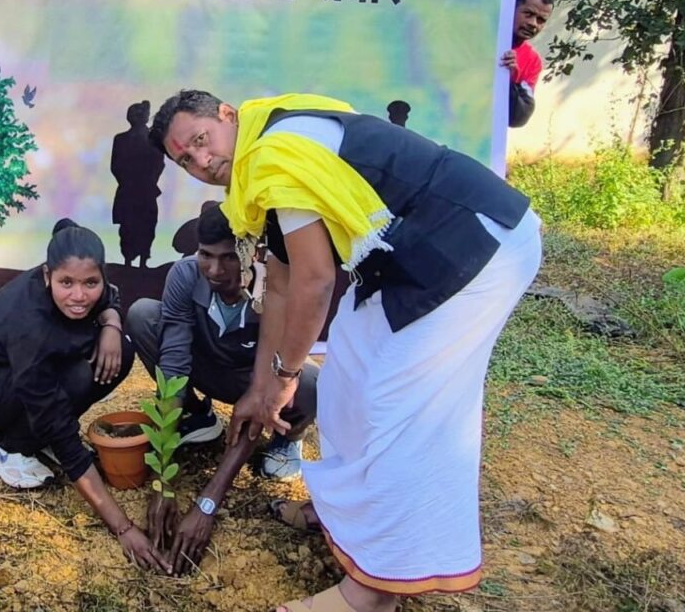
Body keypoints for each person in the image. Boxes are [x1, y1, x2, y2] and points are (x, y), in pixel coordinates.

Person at [149, 90, 541, 612]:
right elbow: (281, 283)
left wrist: (284, 376)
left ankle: (374, 591)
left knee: (394, 406)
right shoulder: (259, 159)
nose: (201, 161)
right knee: (342, 386)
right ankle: (342, 517)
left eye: (201, 140)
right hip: (406, 254)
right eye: (185, 159)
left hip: (472, 243)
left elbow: (314, 282)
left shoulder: (274, 156)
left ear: (226, 115)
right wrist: (260, 388)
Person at [0, 219, 170, 572]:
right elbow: (60, 426)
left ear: (101, 276)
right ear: (48, 276)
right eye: (67, 283)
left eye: (90, 283)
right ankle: (9, 447)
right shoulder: (29, 323)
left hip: (24, 371)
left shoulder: (87, 283)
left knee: (119, 353)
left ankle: (34, 435)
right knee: (72, 382)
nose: (79, 296)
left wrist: (112, 324)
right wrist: (123, 527)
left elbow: (109, 296)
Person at [126, 204, 319, 574]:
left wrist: (208, 503)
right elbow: (174, 365)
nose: (214, 270)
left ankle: (287, 438)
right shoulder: (185, 274)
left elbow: (266, 388)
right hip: (208, 367)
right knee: (143, 316)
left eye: (229, 257)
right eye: (206, 255)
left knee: (310, 384)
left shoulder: (275, 287)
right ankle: (197, 416)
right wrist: (163, 480)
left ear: (254, 252)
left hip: (256, 380)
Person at [110, 100, 165, 267]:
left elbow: (159, 163)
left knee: (145, 226)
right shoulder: (122, 139)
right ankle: (131, 260)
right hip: (135, 190)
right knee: (130, 227)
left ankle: (141, 260)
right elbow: (116, 166)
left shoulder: (152, 139)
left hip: (140, 190)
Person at [500, 0, 553, 128]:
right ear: (511, 9)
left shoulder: (532, 61)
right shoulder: (481, 36)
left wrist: (509, 81)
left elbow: (518, 119)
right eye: (528, 14)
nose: (533, 24)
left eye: (541, 20)